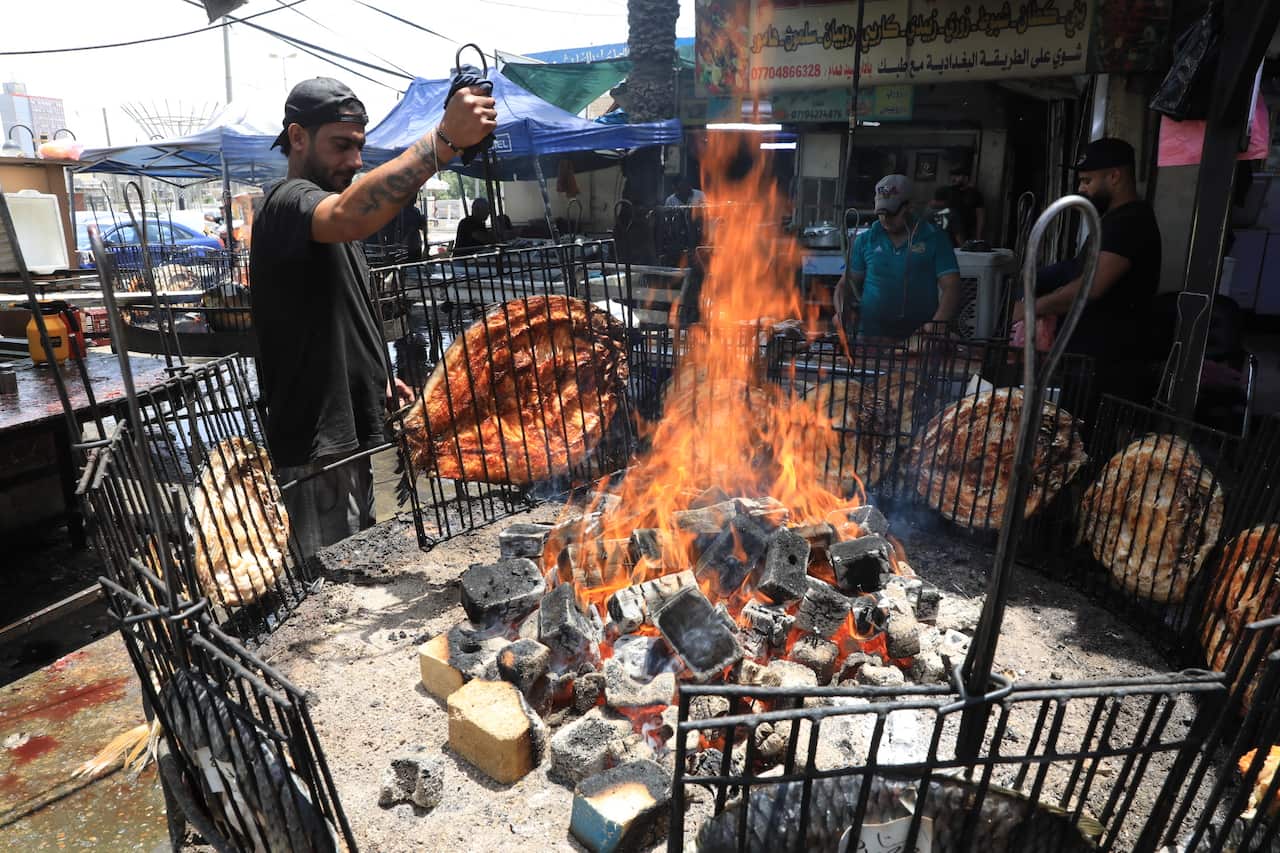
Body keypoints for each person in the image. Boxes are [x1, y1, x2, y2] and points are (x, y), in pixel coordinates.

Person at [250, 77, 497, 559]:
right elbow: (349, 213)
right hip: (318, 450)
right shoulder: (285, 204)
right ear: (297, 137)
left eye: (359, 147)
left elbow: (337, 312)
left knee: (359, 567)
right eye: (341, 146)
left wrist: (378, 379)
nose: (355, 161)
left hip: (354, 439)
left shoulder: (329, 227)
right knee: (328, 596)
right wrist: (443, 141)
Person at [1016, 138, 1161, 400]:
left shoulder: (1131, 223)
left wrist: (1032, 308)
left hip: (1108, 368)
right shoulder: (1111, 221)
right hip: (1087, 364)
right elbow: (1076, 269)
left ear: (1115, 176)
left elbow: (1090, 287)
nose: (1081, 189)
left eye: (1087, 181)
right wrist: (1033, 277)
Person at [834, 174, 963, 343]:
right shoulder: (866, 240)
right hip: (869, 337)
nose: (885, 219)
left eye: (892, 213)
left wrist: (937, 324)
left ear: (909, 206)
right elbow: (846, 284)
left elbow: (951, 287)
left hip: (920, 338)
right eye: (881, 213)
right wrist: (842, 310)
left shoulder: (934, 238)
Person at [940, 167, 986, 246]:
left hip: (966, 233)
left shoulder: (974, 193)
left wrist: (979, 236)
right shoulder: (948, 191)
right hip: (947, 233)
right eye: (952, 175)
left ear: (966, 178)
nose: (953, 178)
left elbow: (980, 215)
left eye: (957, 176)